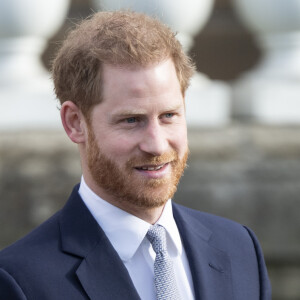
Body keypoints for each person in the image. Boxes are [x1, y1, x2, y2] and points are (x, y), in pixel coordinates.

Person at [0, 10, 271, 300]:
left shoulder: (240, 250)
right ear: (75, 123)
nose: (156, 145)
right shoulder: (21, 282)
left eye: (169, 115)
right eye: (131, 120)